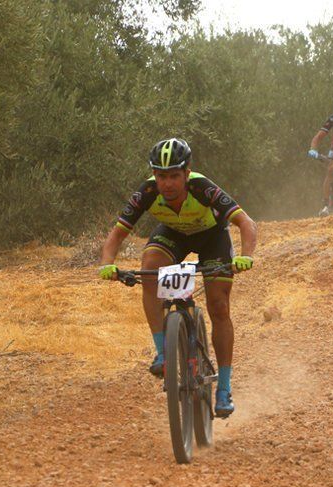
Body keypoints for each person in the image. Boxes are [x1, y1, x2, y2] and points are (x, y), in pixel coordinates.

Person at [98, 138, 258, 417]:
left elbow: (246, 222)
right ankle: (163, 352)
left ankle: (224, 388)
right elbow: (117, 234)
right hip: (173, 236)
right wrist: (106, 264)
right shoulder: (147, 191)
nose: (167, 183)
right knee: (150, 270)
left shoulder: (203, 187)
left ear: (187, 173)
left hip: (212, 238)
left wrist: (245, 255)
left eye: (174, 176)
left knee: (219, 306)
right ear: (154, 175)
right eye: (161, 176)